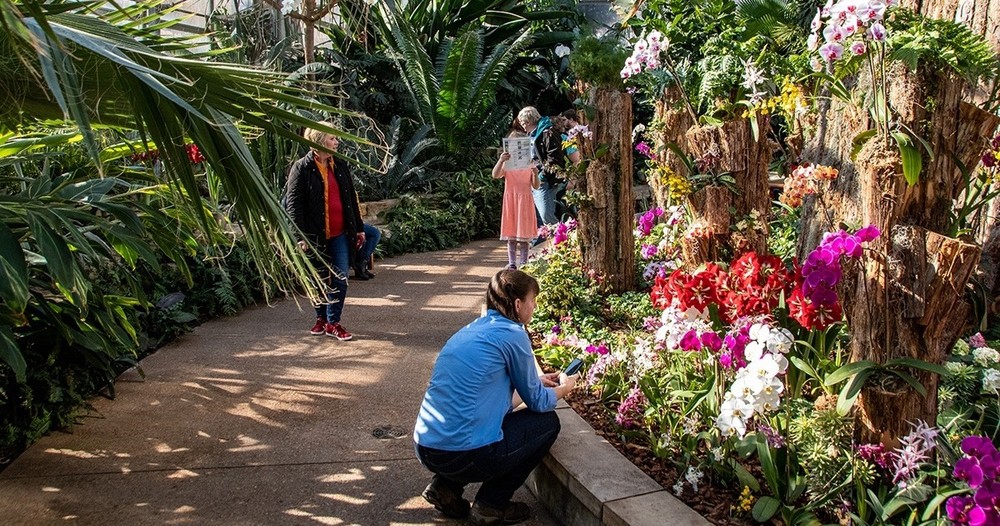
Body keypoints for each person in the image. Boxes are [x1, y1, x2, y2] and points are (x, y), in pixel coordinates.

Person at [413, 270, 578, 525]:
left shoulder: (472, 330)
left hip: (428, 448)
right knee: (547, 424)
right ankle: (491, 505)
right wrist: (565, 388)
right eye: (533, 300)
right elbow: (538, 402)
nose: (534, 307)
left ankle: (445, 488)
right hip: (466, 454)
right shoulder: (513, 334)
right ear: (517, 304)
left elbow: (487, 400)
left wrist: (535, 382)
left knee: (473, 427)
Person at [284, 122, 365, 341]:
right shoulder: (301, 167)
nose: (337, 142)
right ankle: (321, 317)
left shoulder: (340, 165)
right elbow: (294, 205)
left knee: (340, 278)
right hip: (314, 234)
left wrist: (358, 228)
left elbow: (350, 199)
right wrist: (299, 236)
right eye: (332, 138)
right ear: (319, 140)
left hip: (340, 232)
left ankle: (333, 322)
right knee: (317, 278)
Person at [493, 133, 540, 270]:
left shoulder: (529, 163)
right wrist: (501, 161)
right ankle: (512, 262)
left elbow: (536, 185)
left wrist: (535, 173)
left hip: (524, 201)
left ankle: (524, 263)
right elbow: (495, 175)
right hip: (511, 201)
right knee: (511, 234)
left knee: (524, 236)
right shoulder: (507, 164)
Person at [517, 106, 567, 226]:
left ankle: (560, 238)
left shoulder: (547, 132)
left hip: (544, 180)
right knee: (538, 217)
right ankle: (540, 242)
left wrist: (541, 176)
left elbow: (554, 158)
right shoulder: (533, 135)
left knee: (547, 217)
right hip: (534, 178)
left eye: (522, 122)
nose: (522, 126)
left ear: (528, 121)